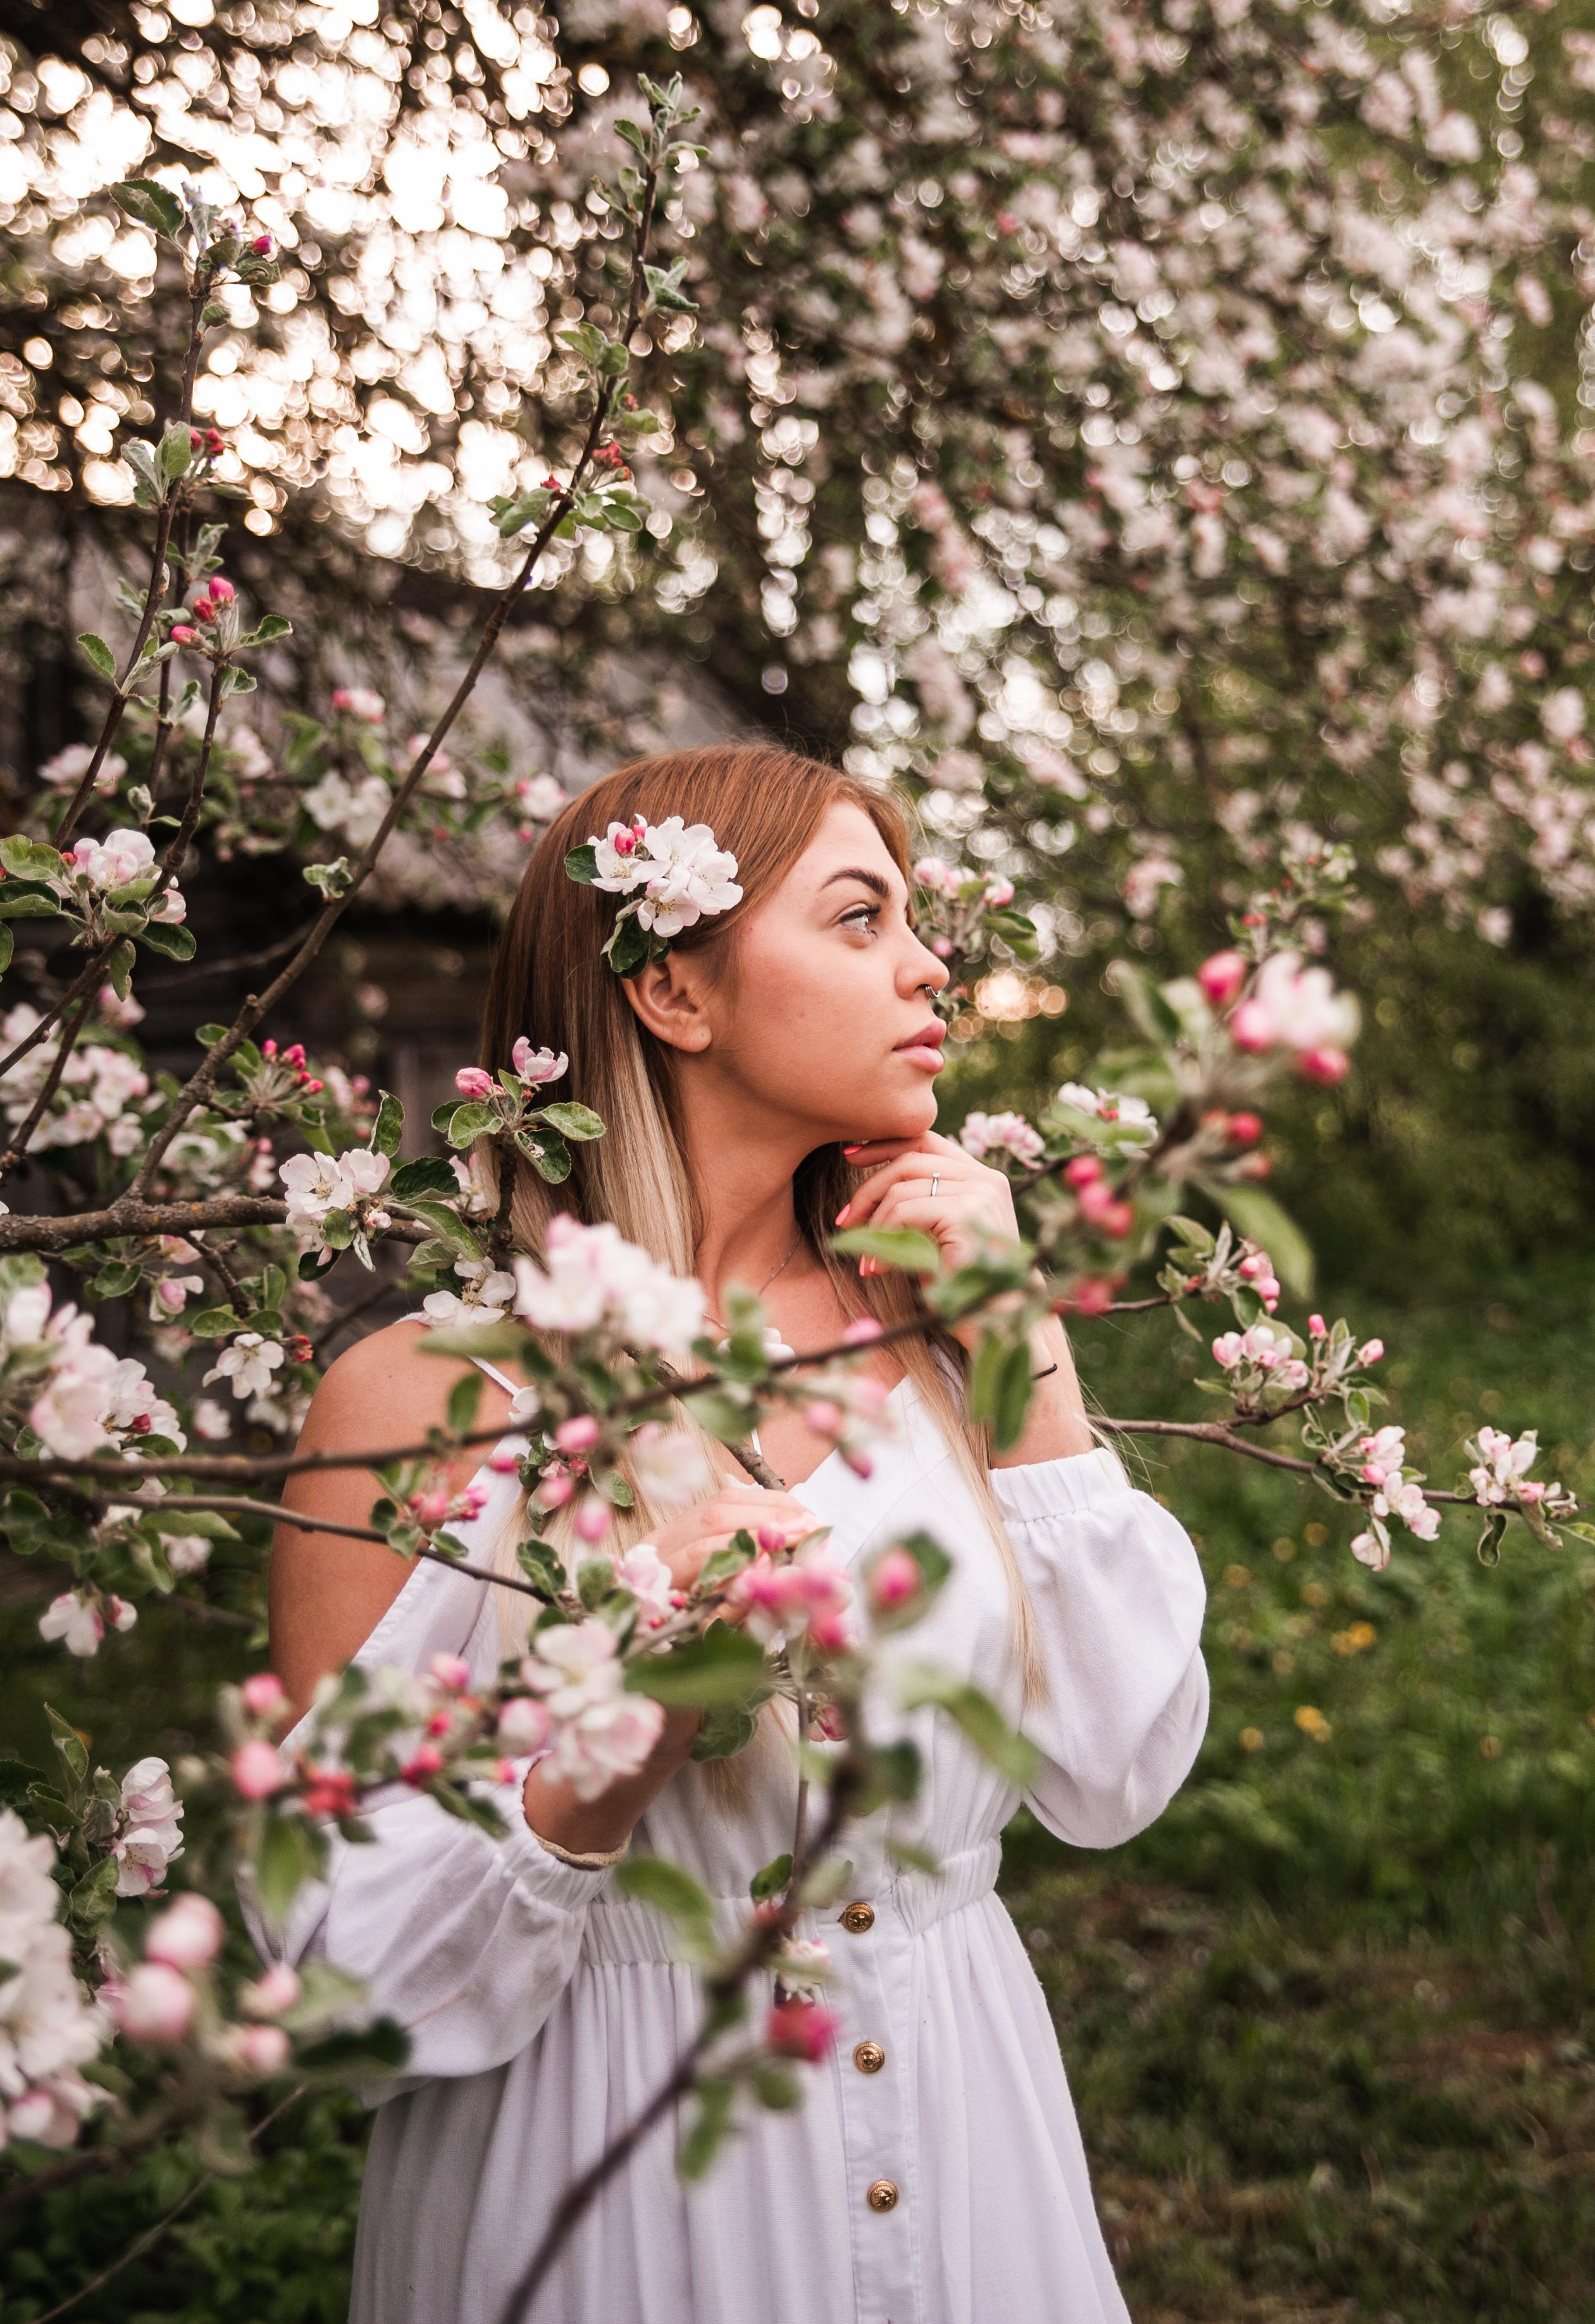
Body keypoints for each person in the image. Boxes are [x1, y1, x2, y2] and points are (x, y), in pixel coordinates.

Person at [261, 744, 1209, 2324]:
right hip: (606, 2191)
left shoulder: (925, 1334)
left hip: (975, 2158)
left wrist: (1017, 1335)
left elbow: (1114, 1769)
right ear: (676, 994)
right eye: (858, 918)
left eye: (920, 922)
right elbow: (339, 1970)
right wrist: (620, 1738)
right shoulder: (431, 1396)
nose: (931, 970)